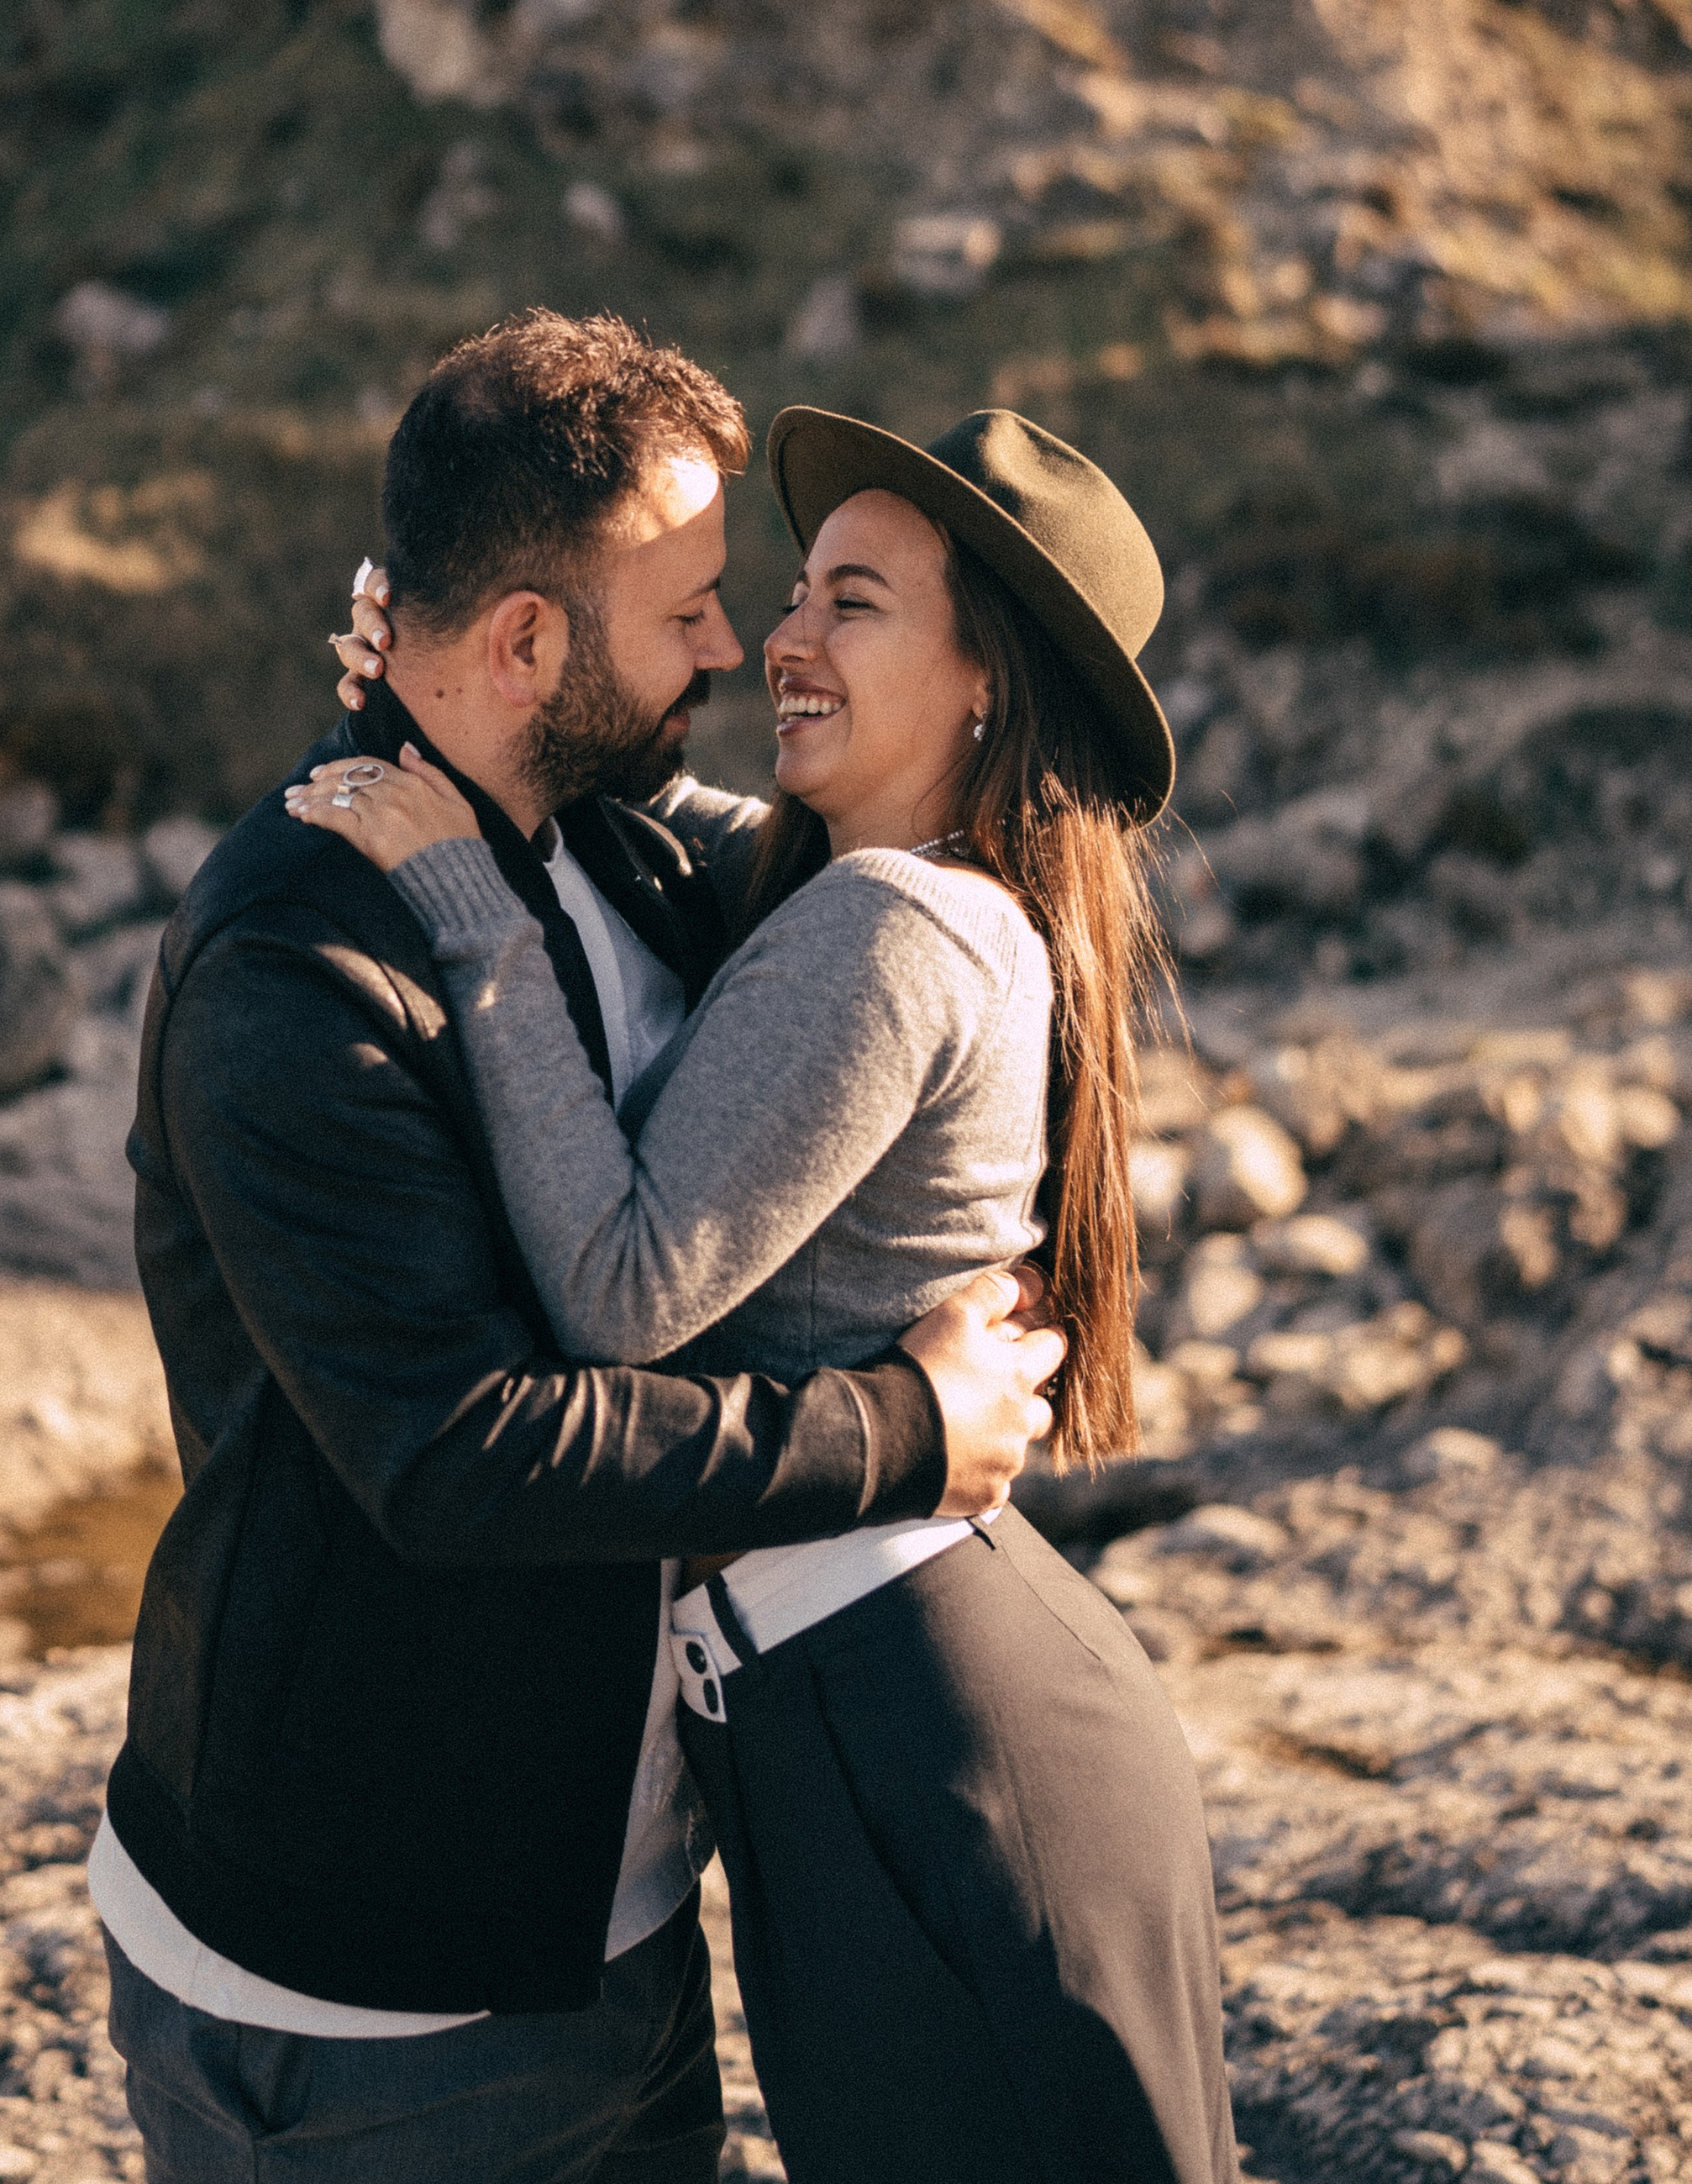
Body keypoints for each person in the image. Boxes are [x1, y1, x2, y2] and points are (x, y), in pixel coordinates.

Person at [92, 312, 1067, 2184]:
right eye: (689, 605)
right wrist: (901, 1434)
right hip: (372, 1993)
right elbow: (461, 1454)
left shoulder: (607, 838)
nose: (731, 640)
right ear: (528, 643)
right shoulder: (293, 978)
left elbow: (835, 909)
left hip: (602, 1922)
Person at [309, 395, 1240, 2184]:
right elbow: (643, 809)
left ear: (986, 687)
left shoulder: (890, 929)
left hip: (924, 1722)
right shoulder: (878, 890)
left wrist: (454, 895)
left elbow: (619, 1289)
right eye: (796, 591)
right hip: (868, 1694)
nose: (784, 640)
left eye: (856, 606)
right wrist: (425, 688)